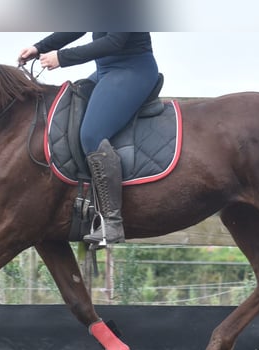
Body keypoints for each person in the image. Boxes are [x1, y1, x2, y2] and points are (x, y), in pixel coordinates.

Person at [18, 33, 159, 247]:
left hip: (133, 70)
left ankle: (112, 222)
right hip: (104, 71)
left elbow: (114, 41)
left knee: (91, 135)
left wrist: (62, 58)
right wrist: (39, 47)